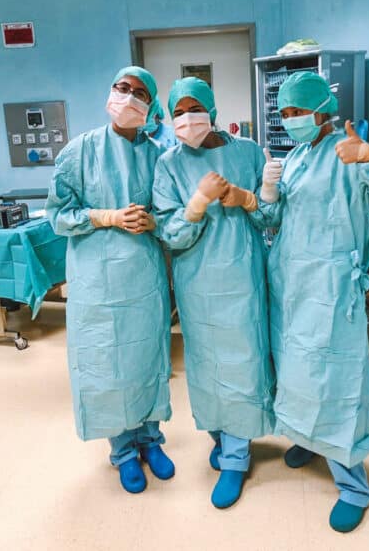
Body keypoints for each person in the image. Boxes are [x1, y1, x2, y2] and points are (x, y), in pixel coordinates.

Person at [260, 71, 369, 532]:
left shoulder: (347, 154)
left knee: (336, 379)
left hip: (331, 290)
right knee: (296, 372)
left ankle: (353, 484)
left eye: (298, 112)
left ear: (321, 110)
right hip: (290, 286)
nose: (291, 120)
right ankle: (310, 439)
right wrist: (267, 192)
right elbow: (276, 218)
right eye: (285, 113)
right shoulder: (295, 157)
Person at [46, 66, 174, 494]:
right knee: (109, 364)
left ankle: (150, 439)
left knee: (145, 359)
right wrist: (104, 216)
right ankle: (122, 450)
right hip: (98, 283)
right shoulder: (79, 151)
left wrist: (153, 220)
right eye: (123, 88)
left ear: (150, 107)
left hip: (144, 279)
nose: (129, 97)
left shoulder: (159, 155)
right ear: (110, 92)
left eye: (140, 93)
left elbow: (172, 212)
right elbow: (58, 216)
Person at [152, 77, 275, 509]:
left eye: (193, 108)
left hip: (242, 278)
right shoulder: (168, 164)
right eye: (178, 112)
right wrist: (196, 205)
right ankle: (221, 434)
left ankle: (237, 458)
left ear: (212, 109)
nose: (187, 119)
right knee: (206, 366)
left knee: (242, 363)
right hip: (196, 282)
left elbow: (270, 218)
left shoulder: (247, 152)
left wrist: (246, 200)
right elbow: (171, 234)